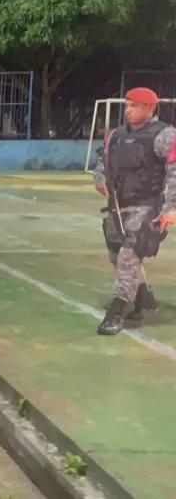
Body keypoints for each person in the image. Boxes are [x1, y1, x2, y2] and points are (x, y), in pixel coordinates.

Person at [93, 87, 176, 336]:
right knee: (115, 255)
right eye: (127, 105)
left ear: (151, 108)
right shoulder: (117, 135)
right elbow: (103, 160)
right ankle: (143, 298)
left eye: (135, 106)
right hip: (118, 206)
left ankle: (116, 312)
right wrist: (99, 177)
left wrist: (171, 208)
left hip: (146, 205)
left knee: (128, 257)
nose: (128, 110)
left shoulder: (165, 135)